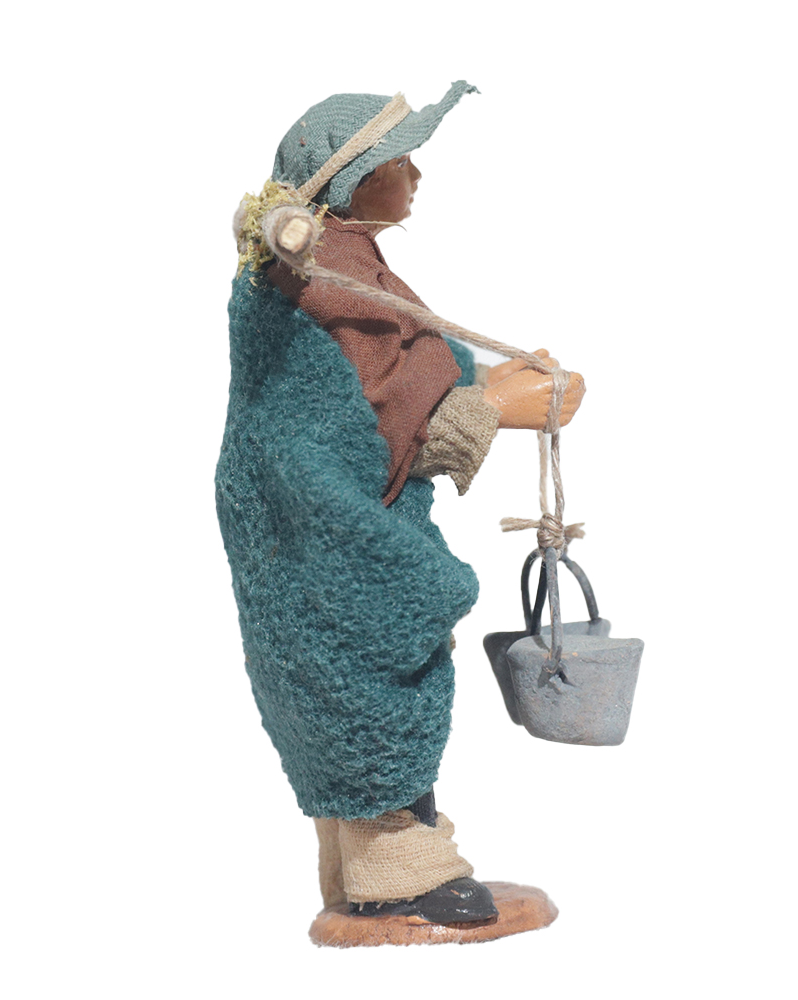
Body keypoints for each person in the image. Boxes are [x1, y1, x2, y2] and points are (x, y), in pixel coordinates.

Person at [216, 82, 584, 931]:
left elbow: (397, 366)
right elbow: (353, 427)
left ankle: (364, 871)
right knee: (371, 684)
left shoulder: (338, 267)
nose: (415, 176)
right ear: (351, 183)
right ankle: (400, 879)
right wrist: (494, 407)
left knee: (354, 685)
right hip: (322, 536)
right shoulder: (318, 283)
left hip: (316, 529)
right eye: (399, 162)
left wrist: (486, 378)